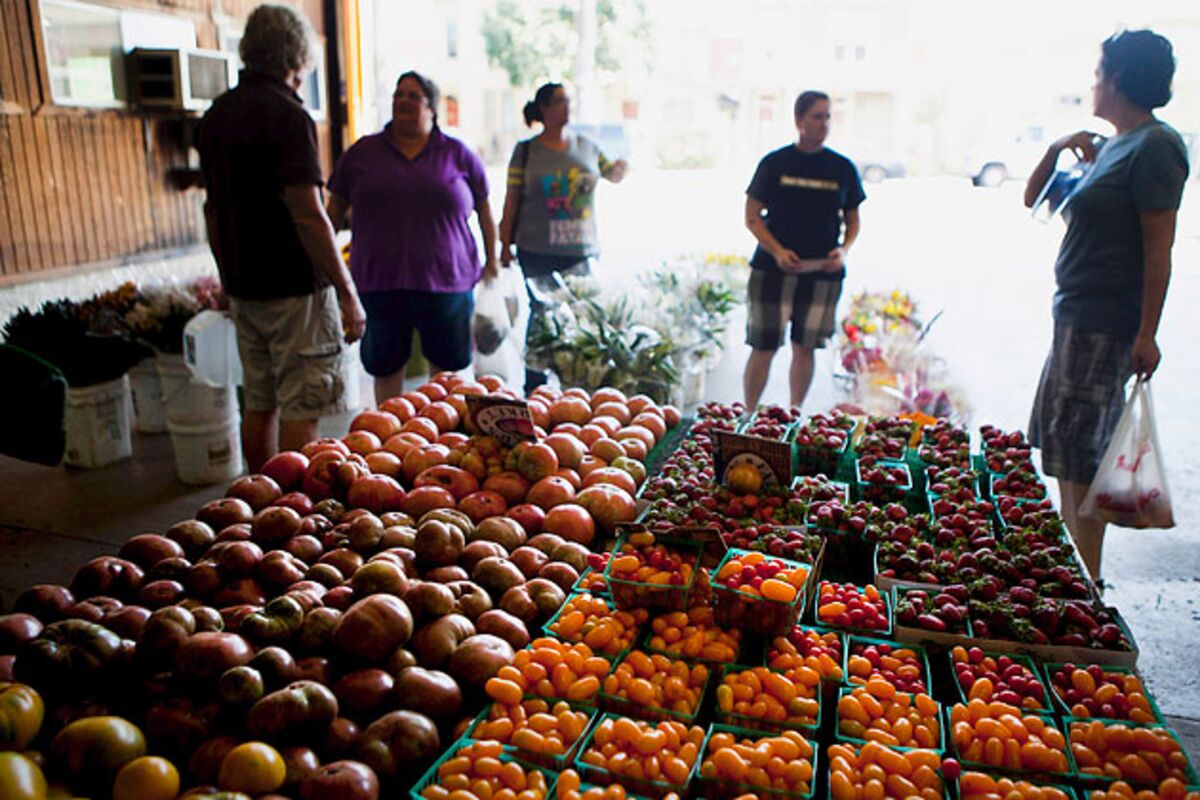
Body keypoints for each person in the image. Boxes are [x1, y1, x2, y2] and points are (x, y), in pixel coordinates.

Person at [1025, 30, 1188, 583]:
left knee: (1082, 459)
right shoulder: (1110, 146)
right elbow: (1033, 199)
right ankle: (1079, 577)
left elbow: (1158, 249)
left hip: (1105, 324)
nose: (1092, 84)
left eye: (1098, 74)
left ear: (1117, 80)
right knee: (1068, 450)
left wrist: (1148, 332)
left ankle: (1085, 585)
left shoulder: (1156, 146)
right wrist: (1056, 148)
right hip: (1073, 316)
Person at [199, 4, 366, 473]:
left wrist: (227, 278)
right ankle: (292, 509)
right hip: (293, 287)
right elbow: (308, 213)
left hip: (245, 283)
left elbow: (213, 210)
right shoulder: (288, 116)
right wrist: (347, 291)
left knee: (259, 398)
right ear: (297, 55)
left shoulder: (217, 115)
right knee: (301, 405)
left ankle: (260, 496)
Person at [327, 71, 498, 404]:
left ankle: (443, 443)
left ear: (431, 108)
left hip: (447, 281)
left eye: (413, 96)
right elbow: (331, 212)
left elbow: (485, 212)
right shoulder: (363, 153)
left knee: (447, 375)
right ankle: (390, 441)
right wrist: (327, 265)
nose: (402, 101)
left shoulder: (458, 154)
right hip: (380, 282)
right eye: (398, 94)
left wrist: (492, 262)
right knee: (386, 368)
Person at [498, 83, 627, 389]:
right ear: (543, 108)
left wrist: (621, 167)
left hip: (580, 249)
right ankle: (536, 386)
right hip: (536, 248)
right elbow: (512, 198)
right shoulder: (526, 150)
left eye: (568, 100)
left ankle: (578, 384)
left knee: (581, 316)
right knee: (543, 313)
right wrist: (504, 245)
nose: (566, 106)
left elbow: (613, 174)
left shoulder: (587, 146)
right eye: (558, 101)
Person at [742, 91, 865, 410]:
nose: (823, 123)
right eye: (816, 116)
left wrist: (844, 250)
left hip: (822, 274)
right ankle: (748, 413)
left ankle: (794, 413)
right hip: (772, 271)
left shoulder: (842, 168)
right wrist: (778, 250)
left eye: (827, 116)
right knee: (763, 347)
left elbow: (853, 220)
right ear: (799, 121)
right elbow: (752, 216)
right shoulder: (775, 163)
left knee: (805, 348)